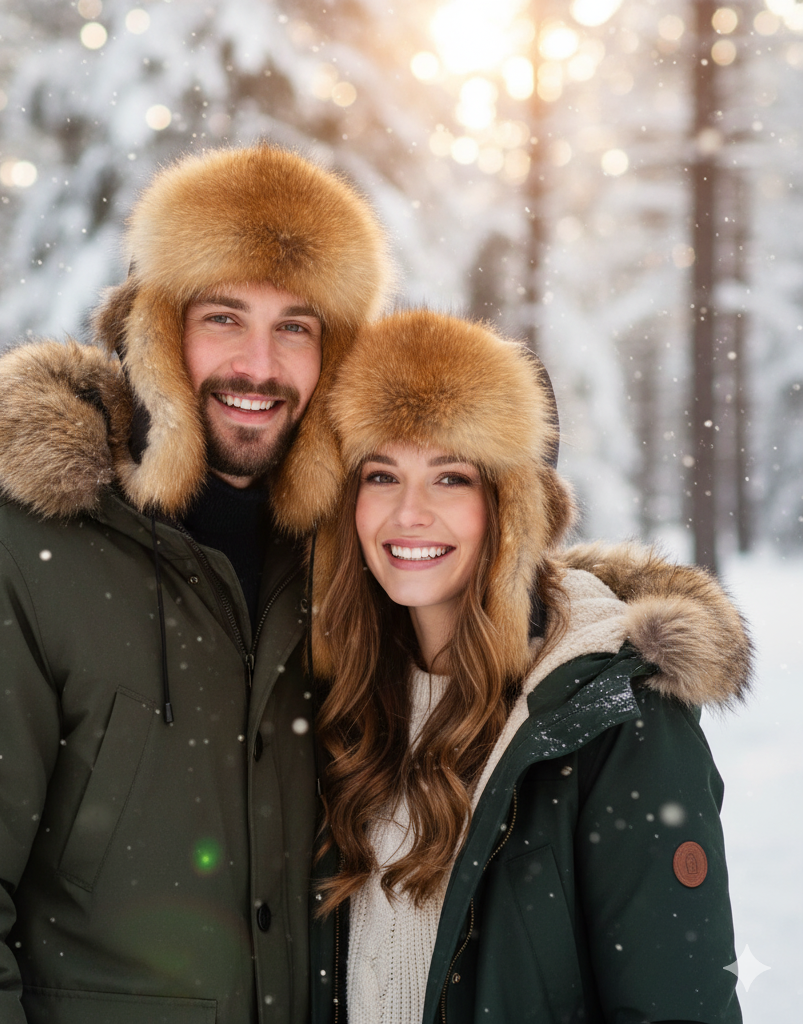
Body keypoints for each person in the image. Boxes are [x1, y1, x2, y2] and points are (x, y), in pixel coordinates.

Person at [0, 145, 391, 1024]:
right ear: (155, 331)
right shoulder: (5, 565)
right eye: (223, 317)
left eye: (296, 326)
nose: (259, 364)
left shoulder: (346, 568)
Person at [303, 310, 750, 1024]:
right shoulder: (338, 695)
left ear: (509, 507)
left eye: (450, 478)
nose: (407, 514)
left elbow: (676, 1006)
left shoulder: (615, 714)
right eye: (382, 474)